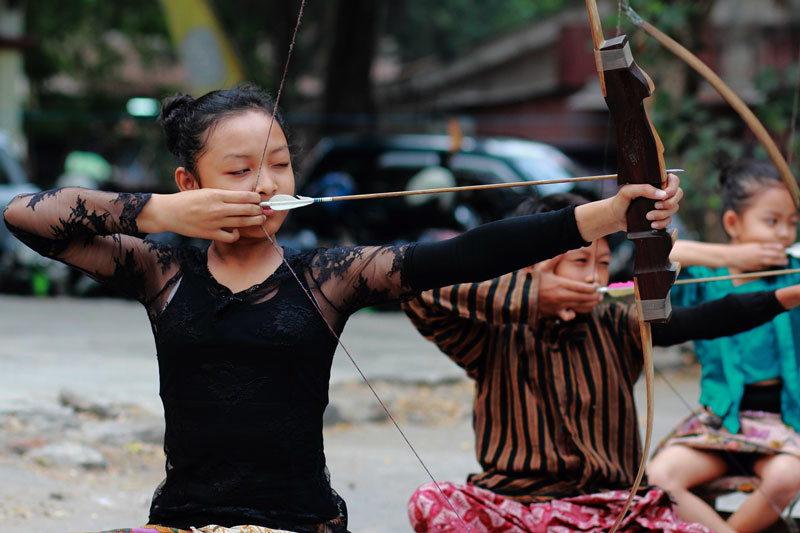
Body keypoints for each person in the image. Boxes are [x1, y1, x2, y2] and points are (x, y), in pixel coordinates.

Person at [1, 84, 682, 533]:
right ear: (192, 181)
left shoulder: (331, 275)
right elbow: (25, 216)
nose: (266, 184)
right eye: (238, 171)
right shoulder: (160, 266)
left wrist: (608, 214)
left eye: (280, 164)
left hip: (302, 521)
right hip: (185, 518)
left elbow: (467, 253)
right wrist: (161, 212)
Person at [401, 191, 800, 533]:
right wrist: (532, 293)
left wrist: (788, 295)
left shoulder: (615, 320)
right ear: (532, 263)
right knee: (431, 501)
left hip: (616, 511)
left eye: (604, 264)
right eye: (580, 261)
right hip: (520, 508)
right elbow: (418, 291)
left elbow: (704, 319)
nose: (595, 278)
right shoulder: (490, 333)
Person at [646, 160, 800, 533]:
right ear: (733, 224)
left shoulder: (793, 272)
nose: (783, 234)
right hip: (719, 418)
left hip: (782, 420)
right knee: (658, 477)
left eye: (792, 223)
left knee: (786, 477)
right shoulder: (707, 274)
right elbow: (657, 251)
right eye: (771, 221)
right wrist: (732, 258)